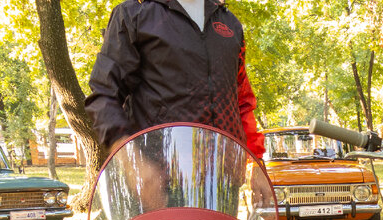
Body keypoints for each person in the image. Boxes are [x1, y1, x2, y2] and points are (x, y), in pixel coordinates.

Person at [85, 0, 265, 158]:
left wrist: (256, 161)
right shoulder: (136, 14)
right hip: (160, 174)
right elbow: (103, 93)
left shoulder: (230, 23)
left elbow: (243, 102)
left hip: (223, 178)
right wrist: (127, 155)